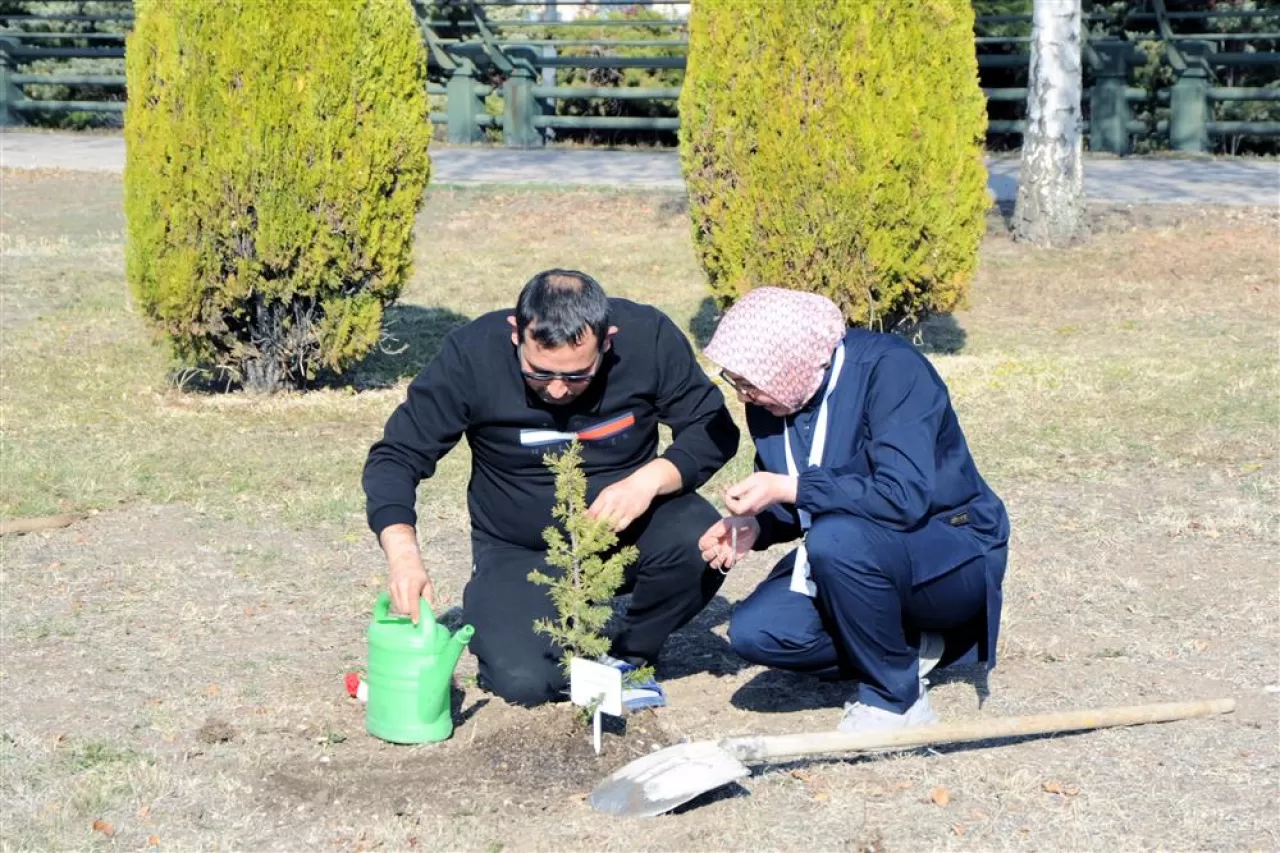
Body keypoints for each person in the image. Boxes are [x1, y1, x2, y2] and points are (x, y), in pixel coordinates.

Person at [363, 269, 740, 709]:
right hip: (520, 550)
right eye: (539, 373)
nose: (559, 390)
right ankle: (538, 632)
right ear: (516, 334)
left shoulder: (649, 338)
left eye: (578, 377)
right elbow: (397, 455)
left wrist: (649, 480)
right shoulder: (472, 354)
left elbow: (713, 429)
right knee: (524, 681)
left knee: (705, 542)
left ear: (608, 340)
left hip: (630, 533)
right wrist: (404, 557)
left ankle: (629, 653)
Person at [696, 287, 1009, 733]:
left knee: (836, 540)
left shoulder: (892, 370)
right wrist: (756, 524)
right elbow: (798, 496)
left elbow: (901, 496)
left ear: (792, 365)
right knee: (757, 631)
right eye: (734, 380)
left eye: (749, 382)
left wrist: (790, 487)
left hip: (951, 548)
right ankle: (912, 647)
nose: (743, 396)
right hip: (849, 553)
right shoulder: (774, 397)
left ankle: (896, 700)